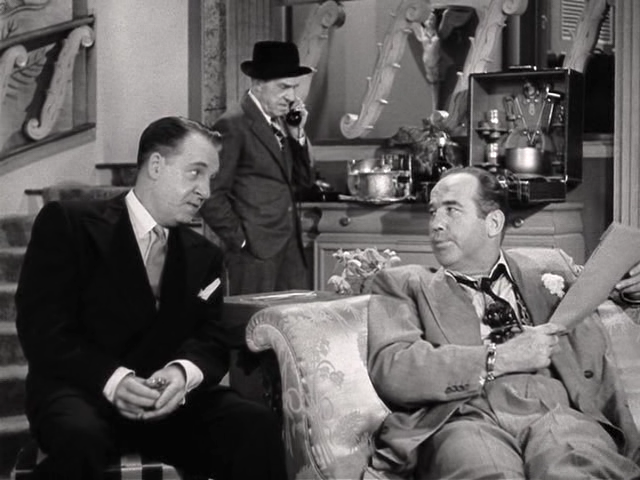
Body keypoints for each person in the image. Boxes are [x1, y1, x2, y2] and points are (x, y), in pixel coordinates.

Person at [15, 116, 287, 480]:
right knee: (80, 439)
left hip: (168, 405)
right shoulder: (68, 223)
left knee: (254, 426)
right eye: (195, 173)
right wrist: (114, 380)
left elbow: (210, 338)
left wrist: (182, 373)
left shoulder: (204, 255)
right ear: (156, 166)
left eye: (210, 177)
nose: (205, 191)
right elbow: (43, 329)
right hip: (82, 391)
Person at [366, 166, 640, 479]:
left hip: (557, 411)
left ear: (493, 222)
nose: (436, 224)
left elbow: (604, 287)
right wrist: (500, 358)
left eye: (451, 210)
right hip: (465, 416)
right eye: (433, 212)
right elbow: (394, 369)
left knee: (576, 469)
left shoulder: (551, 266)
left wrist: (632, 288)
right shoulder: (403, 284)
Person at [199, 40, 315, 295]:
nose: (291, 97)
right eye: (283, 87)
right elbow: (210, 193)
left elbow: (304, 182)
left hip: (290, 249)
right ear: (258, 84)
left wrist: (297, 135)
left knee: (295, 317)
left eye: (294, 87)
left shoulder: (282, 123)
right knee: (252, 318)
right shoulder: (233, 124)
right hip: (254, 254)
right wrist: (241, 241)